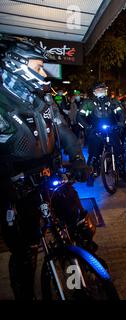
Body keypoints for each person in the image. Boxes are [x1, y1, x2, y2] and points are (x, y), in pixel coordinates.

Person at [0, 35, 93, 299]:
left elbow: (63, 129)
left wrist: (77, 158)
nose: (44, 73)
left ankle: (81, 266)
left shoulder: (43, 98)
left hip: (49, 175)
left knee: (82, 224)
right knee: (25, 251)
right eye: (38, 66)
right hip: (15, 187)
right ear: (16, 65)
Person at [80, 82, 126, 183]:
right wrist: (87, 127)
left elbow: (122, 113)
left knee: (119, 151)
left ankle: (122, 172)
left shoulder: (113, 101)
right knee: (93, 153)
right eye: (98, 90)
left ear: (106, 91)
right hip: (95, 130)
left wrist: (121, 123)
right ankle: (91, 172)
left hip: (112, 129)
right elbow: (79, 117)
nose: (101, 92)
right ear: (94, 92)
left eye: (103, 90)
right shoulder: (88, 103)